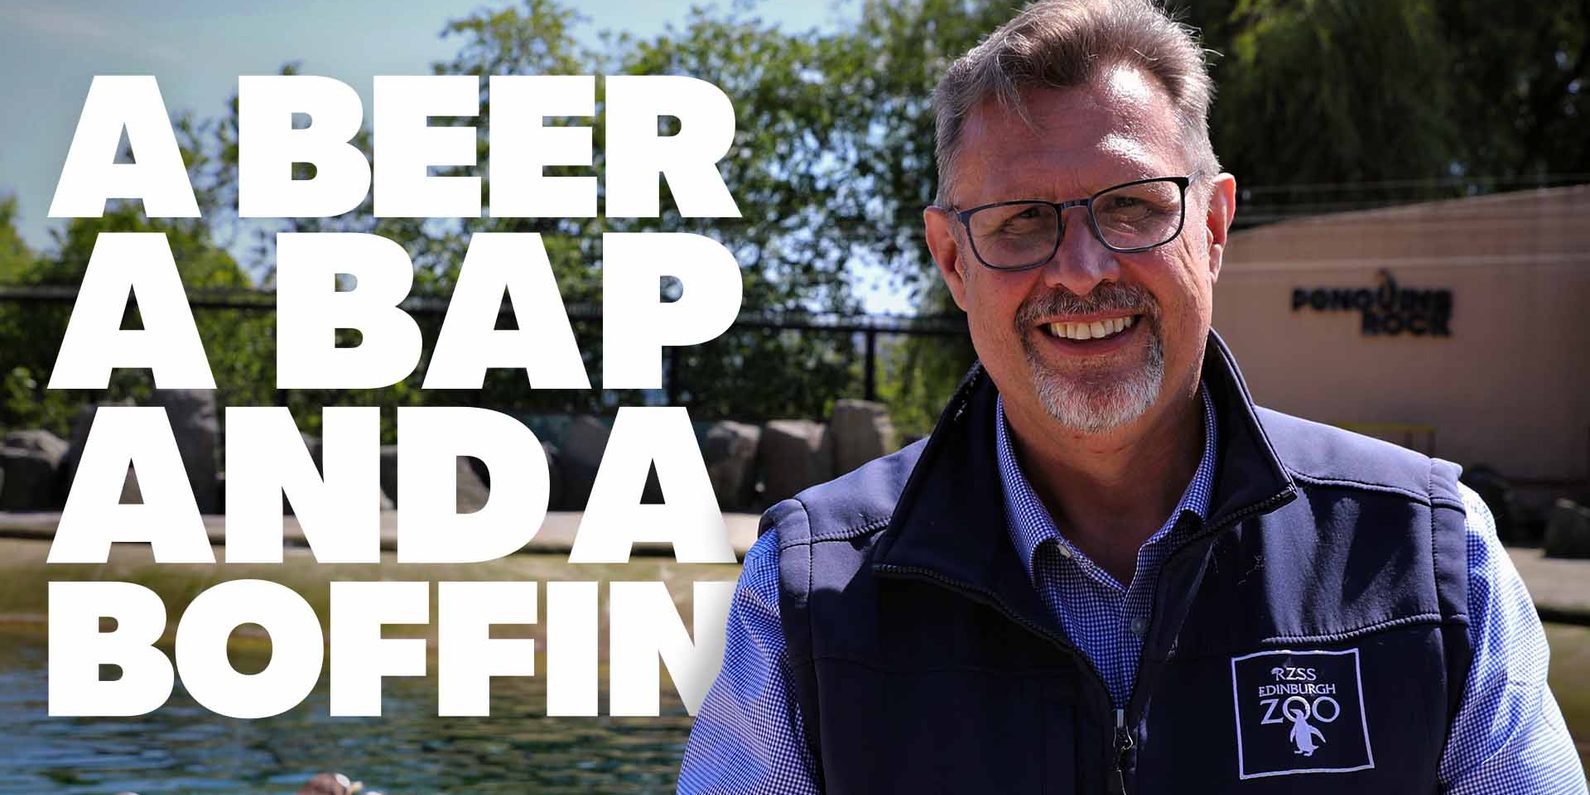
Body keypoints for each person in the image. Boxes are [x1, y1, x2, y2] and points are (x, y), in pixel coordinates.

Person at [677, 0, 1589, 792]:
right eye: (1020, 220)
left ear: (1215, 224)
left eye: (1132, 206)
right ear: (953, 261)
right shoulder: (805, 595)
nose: (1080, 271)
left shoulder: (1432, 560)